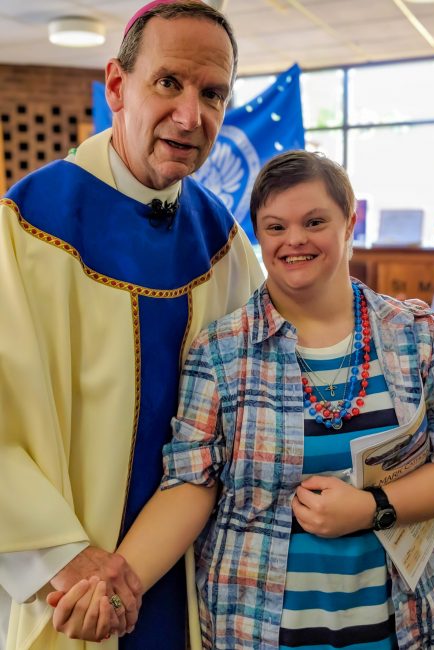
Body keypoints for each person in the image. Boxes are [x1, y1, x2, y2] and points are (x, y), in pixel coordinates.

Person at [52, 150, 434, 649]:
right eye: (275, 226)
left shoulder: (419, 338)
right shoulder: (219, 352)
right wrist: (116, 587)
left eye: (314, 221)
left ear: (349, 222)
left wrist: (371, 508)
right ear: (257, 235)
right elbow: (189, 485)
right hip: (258, 630)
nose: (295, 240)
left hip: (404, 626)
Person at [0, 1, 263, 649]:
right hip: (71, 585)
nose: (190, 116)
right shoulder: (26, 228)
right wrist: (62, 557)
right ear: (117, 86)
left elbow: (265, 397)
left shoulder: (224, 242)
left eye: (212, 94)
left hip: (202, 579)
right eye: (168, 82)